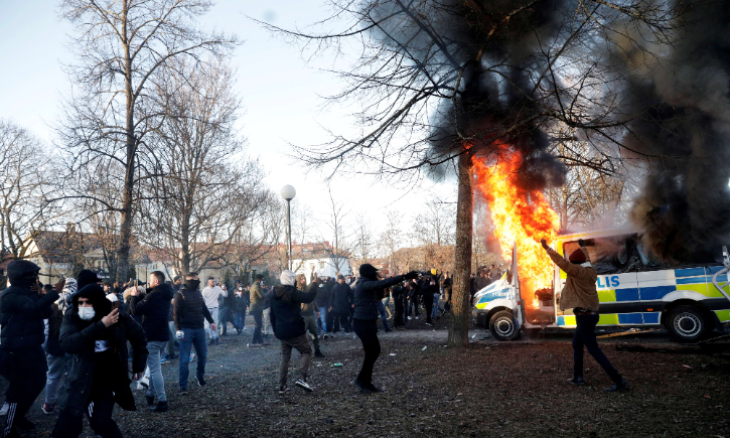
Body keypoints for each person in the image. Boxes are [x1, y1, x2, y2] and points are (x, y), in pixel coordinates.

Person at [50, 284, 148, 438]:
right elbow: (68, 343)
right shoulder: (73, 315)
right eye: (80, 302)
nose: (83, 306)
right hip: (78, 378)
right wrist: (101, 325)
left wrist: (138, 365)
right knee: (68, 425)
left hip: (106, 380)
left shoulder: (117, 317)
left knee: (101, 422)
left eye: (88, 302)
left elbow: (139, 338)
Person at [541, 238, 628, 392]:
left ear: (575, 264)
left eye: (572, 263)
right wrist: (583, 247)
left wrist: (547, 248)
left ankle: (618, 380)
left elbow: (561, 262)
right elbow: (586, 259)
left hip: (584, 316)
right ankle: (578, 376)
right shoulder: (589, 271)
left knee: (594, 349)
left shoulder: (578, 272)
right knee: (577, 344)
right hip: (591, 314)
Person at [0, 260, 63, 437]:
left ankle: (19, 416)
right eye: (32, 275)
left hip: (32, 347)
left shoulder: (29, 292)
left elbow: (45, 312)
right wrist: (55, 292)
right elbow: (32, 309)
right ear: (22, 276)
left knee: (38, 382)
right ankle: (9, 428)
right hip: (15, 349)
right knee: (18, 388)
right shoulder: (10, 294)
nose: (36, 278)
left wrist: (42, 295)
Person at [352, 264, 418, 393]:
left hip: (367, 322)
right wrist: (403, 277)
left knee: (372, 352)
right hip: (362, 323)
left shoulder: (367, 283)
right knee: (373, 351)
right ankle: (363, 381)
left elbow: (379, 293)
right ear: (369, 274)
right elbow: (381, 284)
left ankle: (363, 380)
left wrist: (382, 284)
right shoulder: (364, 283)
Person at [130, 271, 174, 412]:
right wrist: (143, 294)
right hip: (163, 335)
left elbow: (135, 310)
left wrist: (133, 297)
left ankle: (163, 401)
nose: (148, 282)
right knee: (156, 368)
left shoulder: (154, 295)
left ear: (156, 281)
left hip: (152, 336)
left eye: (150, 280)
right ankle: (150, 394)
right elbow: (151, 301)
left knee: (155, 370)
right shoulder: (166, 293)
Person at [270, 270, 316, 394]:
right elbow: (308, 297)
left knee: (285, 357)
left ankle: (282, 386)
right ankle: (302, 378)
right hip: (295, 330)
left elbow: (272, 314)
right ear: (291, 279)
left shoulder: (274, 293)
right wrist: (314, 284)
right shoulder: (292, 292)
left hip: (281, 331)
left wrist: (275, 330)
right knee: (306, 351)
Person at [173, 273, 216, 393]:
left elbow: (204, 308)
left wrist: (211, 321)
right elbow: (176, 313)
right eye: (195, 280)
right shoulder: (180, 295)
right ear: (189, 280)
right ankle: (183, 386)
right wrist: (178, 329)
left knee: (203, 355)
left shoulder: (198, 293)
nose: (197, 282)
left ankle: (199, 376)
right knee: (184, 359)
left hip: (199, 329)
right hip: (186, 330)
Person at [42, 278, 78, 415]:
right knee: (74, 374)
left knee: (53, 376)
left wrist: (45, 347)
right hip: (73, 345)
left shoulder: (53, 303)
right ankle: (71, 402)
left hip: (55, 344)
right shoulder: (79, 302)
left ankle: (49, 404)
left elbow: (46, 328)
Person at [297, 271, 324, 358]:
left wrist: (317, 310)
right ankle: (303, 353)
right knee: (302, 336)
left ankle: (317, 351)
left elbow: (312, 299)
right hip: (302, 316)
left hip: (311, 314)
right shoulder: (296, 291)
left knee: (314, 333)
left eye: (304, 278)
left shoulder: (307, 289)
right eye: (301, 279)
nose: (303, 280)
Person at [201, 277, 226, 345]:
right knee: (208, 325)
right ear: (208, 283)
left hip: (215, 308)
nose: (214, 283)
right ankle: (212, 338)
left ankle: (216, 338)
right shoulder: (205, 290)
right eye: (212, 282)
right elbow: (202, 299)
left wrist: (225, 290)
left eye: (214, 282)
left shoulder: (217, 288)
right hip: (208, 308)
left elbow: (225, 294)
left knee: (214, 323)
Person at [249, 275, 266, 345]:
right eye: (262, 279)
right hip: (257, 307)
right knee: (258, 324)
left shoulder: (254, 285)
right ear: (259, 279)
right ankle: (254, 341)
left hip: (256, 307)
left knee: (259, 324)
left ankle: (260, 340)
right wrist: (269, 293)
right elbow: (261, 296)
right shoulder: (257, 286)